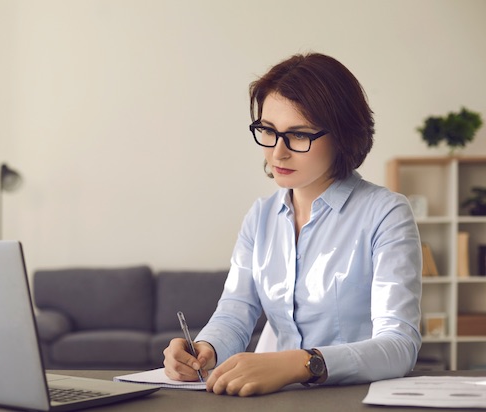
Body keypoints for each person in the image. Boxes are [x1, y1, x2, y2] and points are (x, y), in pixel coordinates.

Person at [163, 52, 422, 396]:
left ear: (343, 135)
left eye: (298, 135)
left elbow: (399, 345)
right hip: (272, 400)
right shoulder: (261, 215)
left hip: (354, 398)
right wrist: (206, 349)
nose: (277, 153)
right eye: (268, 131)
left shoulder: (386, 213)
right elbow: (236, 311)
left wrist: (301, 363)